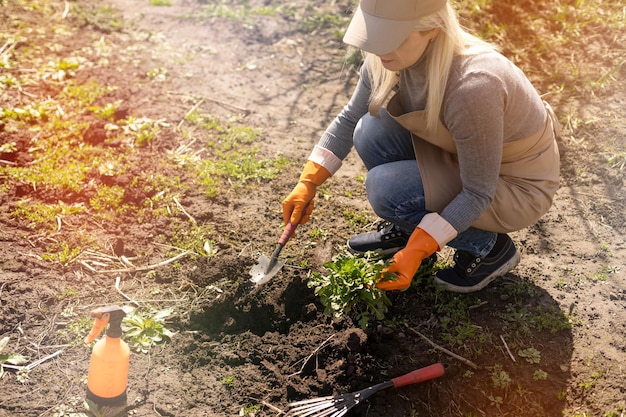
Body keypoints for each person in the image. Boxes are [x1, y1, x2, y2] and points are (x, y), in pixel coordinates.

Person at [281, 0, 561, 293]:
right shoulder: (386, 57)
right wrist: (308, 181)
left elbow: (479, 191)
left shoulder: (474, 85)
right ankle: (408, 228)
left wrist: (419, 249)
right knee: (369, 129)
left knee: (388, 189)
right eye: (375, 34)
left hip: (513, 184)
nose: (378, 48)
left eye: (391, 37)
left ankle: (489, 247)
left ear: (433, 28)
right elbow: (350, 118)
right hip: (461, 156)